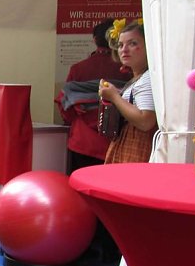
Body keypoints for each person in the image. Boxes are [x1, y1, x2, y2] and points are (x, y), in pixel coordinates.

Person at [58, 19, 132, 172]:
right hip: (116, 140)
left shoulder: (78, 69)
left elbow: (65, 107)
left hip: (83, 141)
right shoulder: (128, 70)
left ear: (94, 40)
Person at [98, 20, 157, 164]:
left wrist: (114, 97)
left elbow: (146, 121)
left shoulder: (148, 78)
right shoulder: (139, 78)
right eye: (120, 45)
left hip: (137, 148)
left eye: (132, 43)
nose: (124, 50)